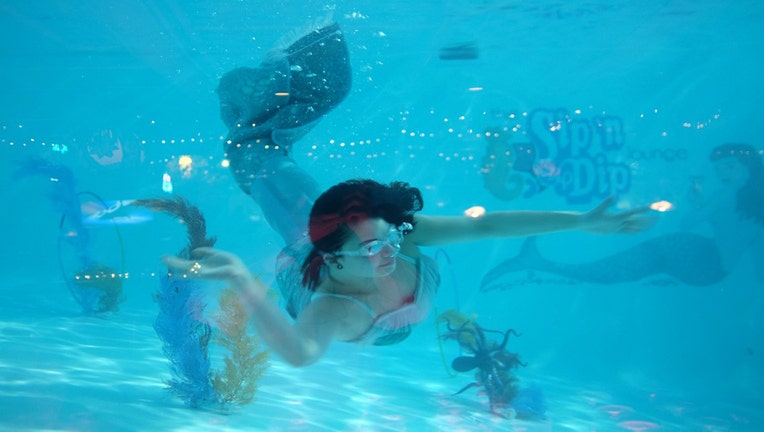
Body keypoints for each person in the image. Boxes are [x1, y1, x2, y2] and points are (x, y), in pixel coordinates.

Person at [163, 20, 655, 367]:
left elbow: (487, 225)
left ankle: (276, 87)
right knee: (266, 162)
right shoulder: (335, 304)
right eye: (374, 247)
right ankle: (279, 90)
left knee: (258, 160)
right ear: (336, 260)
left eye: (389, 240)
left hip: (318, 241)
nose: (390, 252)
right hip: (319, 256)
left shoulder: (385, 246)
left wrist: (584, 221)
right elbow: (300, 354)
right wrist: (241, 280)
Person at [480, 143, 764, 291]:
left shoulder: (728, 197)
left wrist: (699, 203)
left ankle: (537, 263)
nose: (723, 173)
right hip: (712, 263)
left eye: (730, 165)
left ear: (748, 164)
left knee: (656, 250)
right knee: (656, 250)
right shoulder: (743, 200)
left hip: (708, 265)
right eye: (720, 168)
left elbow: (690, 221)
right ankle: (539, 263)